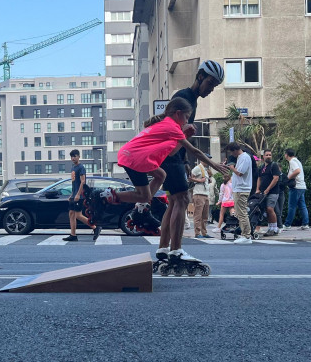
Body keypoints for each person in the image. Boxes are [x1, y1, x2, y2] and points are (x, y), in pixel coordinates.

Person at [103, 97, 228, 261]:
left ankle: (139, 206)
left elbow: (171, 152)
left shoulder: (166, 125)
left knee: (160, 177)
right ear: (178, 114)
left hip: (131, 155)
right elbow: (194, 151)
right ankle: (112, 196)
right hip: (135, 158)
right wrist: (214, 165)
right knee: (163, 196)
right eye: (186, 117)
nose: (186, 122)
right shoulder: (172, 126)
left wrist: (184, 134)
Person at [65, 149, 100, 242]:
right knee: (71, 214)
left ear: (79, 156)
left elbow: (83, 181)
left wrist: (77, 194)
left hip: (79, 195)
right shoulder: (73, 168)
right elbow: (74, 183)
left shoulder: (81, 167)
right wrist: (72, 194)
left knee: (78, 215)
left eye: (75, 156)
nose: (73, 158)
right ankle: (73, 235)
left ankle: (95, 227)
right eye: (72, 156)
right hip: (74, 195)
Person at [225, 142, 254, 244]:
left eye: (231, 152)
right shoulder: (241, 157)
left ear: (235, 150)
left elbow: (240, 172)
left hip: (242, 189)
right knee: (239, 213)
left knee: (242, 213)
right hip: (239, 188)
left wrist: (231, 167)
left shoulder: (245, 157)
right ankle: (244, 234)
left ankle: (246, 235)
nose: (232, 155)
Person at [255, 150, 281, 237]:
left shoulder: (274, 166)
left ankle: (274, 228)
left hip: (273, 192)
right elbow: (259, 178)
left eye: (270, 155)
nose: (268, 156)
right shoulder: (262, 167)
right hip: (263, 192)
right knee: (267, 210)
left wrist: (268, 189)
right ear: (263, 157)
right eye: (267, 155)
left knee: (270, 209)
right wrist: (258, 189)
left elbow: (276, 178)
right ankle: (270, 228)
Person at [283, 148, 309, 231]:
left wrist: (288, 177)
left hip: (296, 187)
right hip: (302, 186)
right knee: (302, 206)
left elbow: (297, 171)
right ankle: (305, 223)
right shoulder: (297, 161)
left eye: (285, 154)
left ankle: (287, 224)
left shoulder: (292, 161)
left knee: (291, 206)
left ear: (287, 154)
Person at [190, 159, 213, 238]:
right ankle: (197, 233)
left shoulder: (205, 169)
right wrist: (199, 180)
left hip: (205, 194)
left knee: (205, 215)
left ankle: (204, 232)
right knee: (198, 215)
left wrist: (207, 181)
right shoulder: (197, 168)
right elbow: (190, 177)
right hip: (199, 194)